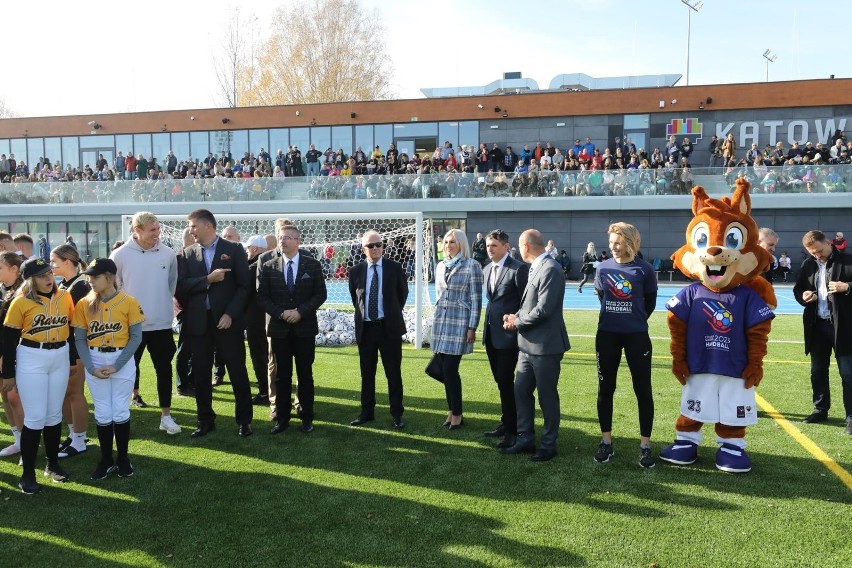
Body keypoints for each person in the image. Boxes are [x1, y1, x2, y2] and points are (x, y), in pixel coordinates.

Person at [178, 209, 254, 438]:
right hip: (199, 324)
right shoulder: (187, 253)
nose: (190, 231)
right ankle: (205, 420)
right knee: (201, 374)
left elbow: (245, 286)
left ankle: (244, 421)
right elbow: (181, 287)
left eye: (193, 226)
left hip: (228, 323)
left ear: (207, 226)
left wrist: (230, 314)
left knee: (237, 371)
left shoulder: (233, 250)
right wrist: (207, 280)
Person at [2, 258, 75, 494]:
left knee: (54, 415)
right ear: (30, 279)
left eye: (49, 273)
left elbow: (71, 329)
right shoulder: (20, 302)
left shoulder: (65, 296)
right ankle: (27, 474)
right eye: (42, 275)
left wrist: (72, 358)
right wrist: (8, 373)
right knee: (34, 417)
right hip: (32, 357)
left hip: (59, 355)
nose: (48, 278)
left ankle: (52, 464)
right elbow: (9, 341)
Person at [71, 258, 145, 479]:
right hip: (94, 358)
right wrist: (92, 368)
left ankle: (123, 458)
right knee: (103, 411)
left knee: (120, 410)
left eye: (95, 276)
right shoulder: (84, 303)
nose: (90, 280)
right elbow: (79, 340)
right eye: (89, 276)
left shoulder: (129, 301)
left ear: (110, 277)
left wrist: (117, 365)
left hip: (121, 358)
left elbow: (136, 338)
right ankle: (105, 460)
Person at [500, 230, 570, 462]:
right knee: (521, 390)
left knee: (547, 396)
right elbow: (530, 303)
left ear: (526, 247)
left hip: (545, 346)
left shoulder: (550, 268)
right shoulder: (538, 266)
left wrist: (517, 321)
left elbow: (543, 310)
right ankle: (525, 439)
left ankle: (549, 445)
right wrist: (515, 316)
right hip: (527, 345)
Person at [592, 223, 658, 467]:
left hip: (636, 336)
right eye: (611, 243)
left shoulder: (645, 270)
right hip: (607, 335)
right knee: (605, 389)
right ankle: (606, 442)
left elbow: (649, 304)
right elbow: (603, 298)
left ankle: (645, 445)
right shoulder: (603, 268)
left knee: (643, 390)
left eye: (617, 243)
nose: (613, 247)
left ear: (631, 243)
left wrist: (632, 320)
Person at [110, 212, 181, 435]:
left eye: (158, 229)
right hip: (131, 327)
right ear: (137, 231)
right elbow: (115, 288)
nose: (157, 234)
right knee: (126, 372)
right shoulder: (119, 255)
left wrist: (159, 309)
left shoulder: (168, 254)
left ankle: (166, 417)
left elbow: (171, 285)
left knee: (164, 370)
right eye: (152, 230)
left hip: (161, 325)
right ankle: (121, 416)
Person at [257, 221, 327, 435]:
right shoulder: (269, 266)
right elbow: (262, 297)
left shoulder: (312, 265)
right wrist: (281, 313)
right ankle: (282, 418)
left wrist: (300, 312)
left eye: (287, 237)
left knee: (305, 374)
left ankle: (306, 416)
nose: (282, 240)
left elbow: (320, 294)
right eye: (280, 237)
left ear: (298, 241)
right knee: (281, 376)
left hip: (304, 329)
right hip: (279, 330)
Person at [793, 230, 852, 434]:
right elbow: (797, 289)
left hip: (844, 327)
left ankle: (851, 417)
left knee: (848, 374)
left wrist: (847, 286)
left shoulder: (847, 260)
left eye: (819, 250)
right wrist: (804, 295)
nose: (817, 256)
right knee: (817, 371)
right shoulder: (808, 264)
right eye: (813, 253)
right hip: (816, 326)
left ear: (828, 243)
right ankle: (820, 409)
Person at [348, 230, 408, 429]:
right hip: (366, 330)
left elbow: (402, 295)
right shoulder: (356, 271)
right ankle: (366, 412)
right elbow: (356, 299)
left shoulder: (394, 268)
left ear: (383, 246)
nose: (375, 248)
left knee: (393, 373)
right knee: (367, 373)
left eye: (379, 244)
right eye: (370, 246)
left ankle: (397, 414)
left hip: (388, 329)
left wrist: (389, 314)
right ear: (363, 248)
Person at [431, 229, 483, 430]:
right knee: (445, 370)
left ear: (461, 244)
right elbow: (438, 296)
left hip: (460, 324)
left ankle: (458, 413)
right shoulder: (440, 265)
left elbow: (476, 300)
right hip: (441, 324)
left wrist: (472, 326)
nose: (448, 245)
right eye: (446, 242)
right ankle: (451, 410)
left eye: (452, 242)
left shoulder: (472, 266)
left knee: (450, 370)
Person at [481, 230, 528, 449]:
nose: (489, 249)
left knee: (507, 383)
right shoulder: (487, 268)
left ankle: (513, 431)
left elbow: (526, 302)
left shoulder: (518, 269)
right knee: (501, 382)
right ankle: (506, 422)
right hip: (491, 335)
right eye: (488, 245)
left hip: (509, 337)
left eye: (494, 245)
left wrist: (515, 321)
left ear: (506, 247)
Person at [50, 244, 91, 458]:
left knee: (75, 392)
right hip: (64, 345)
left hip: (76, 346)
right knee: (65, 393)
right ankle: (73, 434)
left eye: (54, 261)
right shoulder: (65, 284)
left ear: (67, 261)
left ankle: (80, 439)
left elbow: (78, 321)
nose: (51, 266)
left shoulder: (81, 285)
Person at [0, 252, 25, 459]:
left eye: (0, 267)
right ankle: (18, 440)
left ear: (14, 269)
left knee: (15, 398)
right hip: (2, 351)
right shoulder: (3, 289)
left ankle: (27, 443)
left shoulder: (23, 291)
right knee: (5, 397)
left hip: (16, 352)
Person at [242, 235, 272, 406]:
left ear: (253, 249)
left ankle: (264, 391)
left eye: (248, 248)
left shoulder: (253, 267)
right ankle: (271, 389)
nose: (246, 251)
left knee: (259, 355)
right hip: (269, 317)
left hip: (255, 319)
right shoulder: (272, 262)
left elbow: (244, 293)